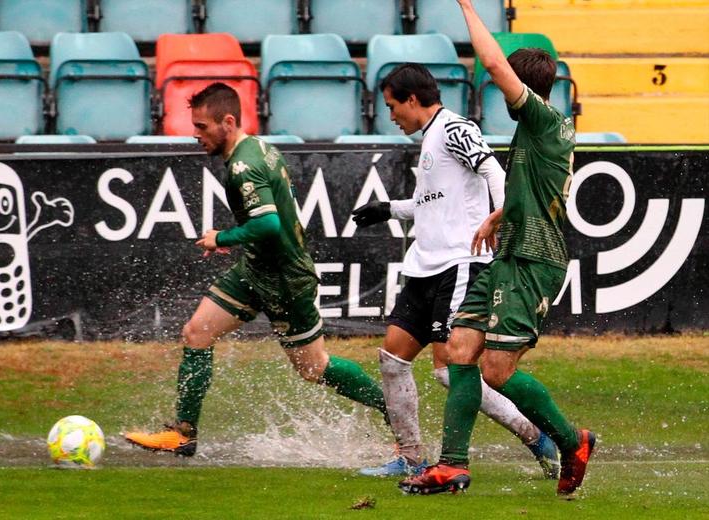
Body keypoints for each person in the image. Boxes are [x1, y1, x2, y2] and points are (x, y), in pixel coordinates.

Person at [124, 83, 388, 456]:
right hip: (256, 268)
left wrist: (223, 238)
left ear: (227, 122)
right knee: (197, 332)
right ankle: (183, 433)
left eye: (202, 127)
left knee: (313, 368)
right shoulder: (258, 147)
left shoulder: (244, 167)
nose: (195, 135)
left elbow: (269, 226)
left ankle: (393, 408)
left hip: (284, 278)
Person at [399, 0, 595, 496]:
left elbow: (491, 63)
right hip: (508, 254)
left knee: (498, 371)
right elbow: (538, 188)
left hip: (533, 260)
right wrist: (498, 215)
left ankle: (573, 442)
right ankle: (452, 466)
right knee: (459, 352)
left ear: (523, 89)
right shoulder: (542, 132)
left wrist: (467, 7)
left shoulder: (545, 122)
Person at [352, 63, 559, 479]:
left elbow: (493, 170)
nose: (391, 115)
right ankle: (411, 457)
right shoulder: (432, 138)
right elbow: (431, 202)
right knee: (393, 357)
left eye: (393, 105)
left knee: (451, 370)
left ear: (413, 99)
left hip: (460, 263)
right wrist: (388, 209)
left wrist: (501, 218)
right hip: (426, 265)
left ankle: (535, 434)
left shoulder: (453, 128)